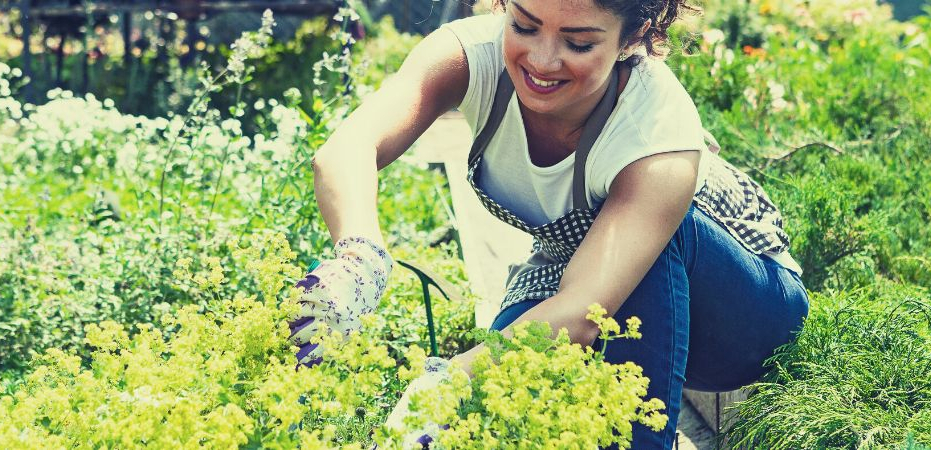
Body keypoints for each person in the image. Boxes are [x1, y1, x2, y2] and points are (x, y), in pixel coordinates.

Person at [290, 0, 810, 447]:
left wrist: (446, 381)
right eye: (524, 25)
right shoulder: (470, 57)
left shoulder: (657, 129)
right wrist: (361, 257)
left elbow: (584, 314)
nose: (541, 60)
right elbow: (347, 149)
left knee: (489, 370)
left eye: (578, 43)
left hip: (744, 317)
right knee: (501, 401)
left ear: (634, 38)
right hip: (581, 275)